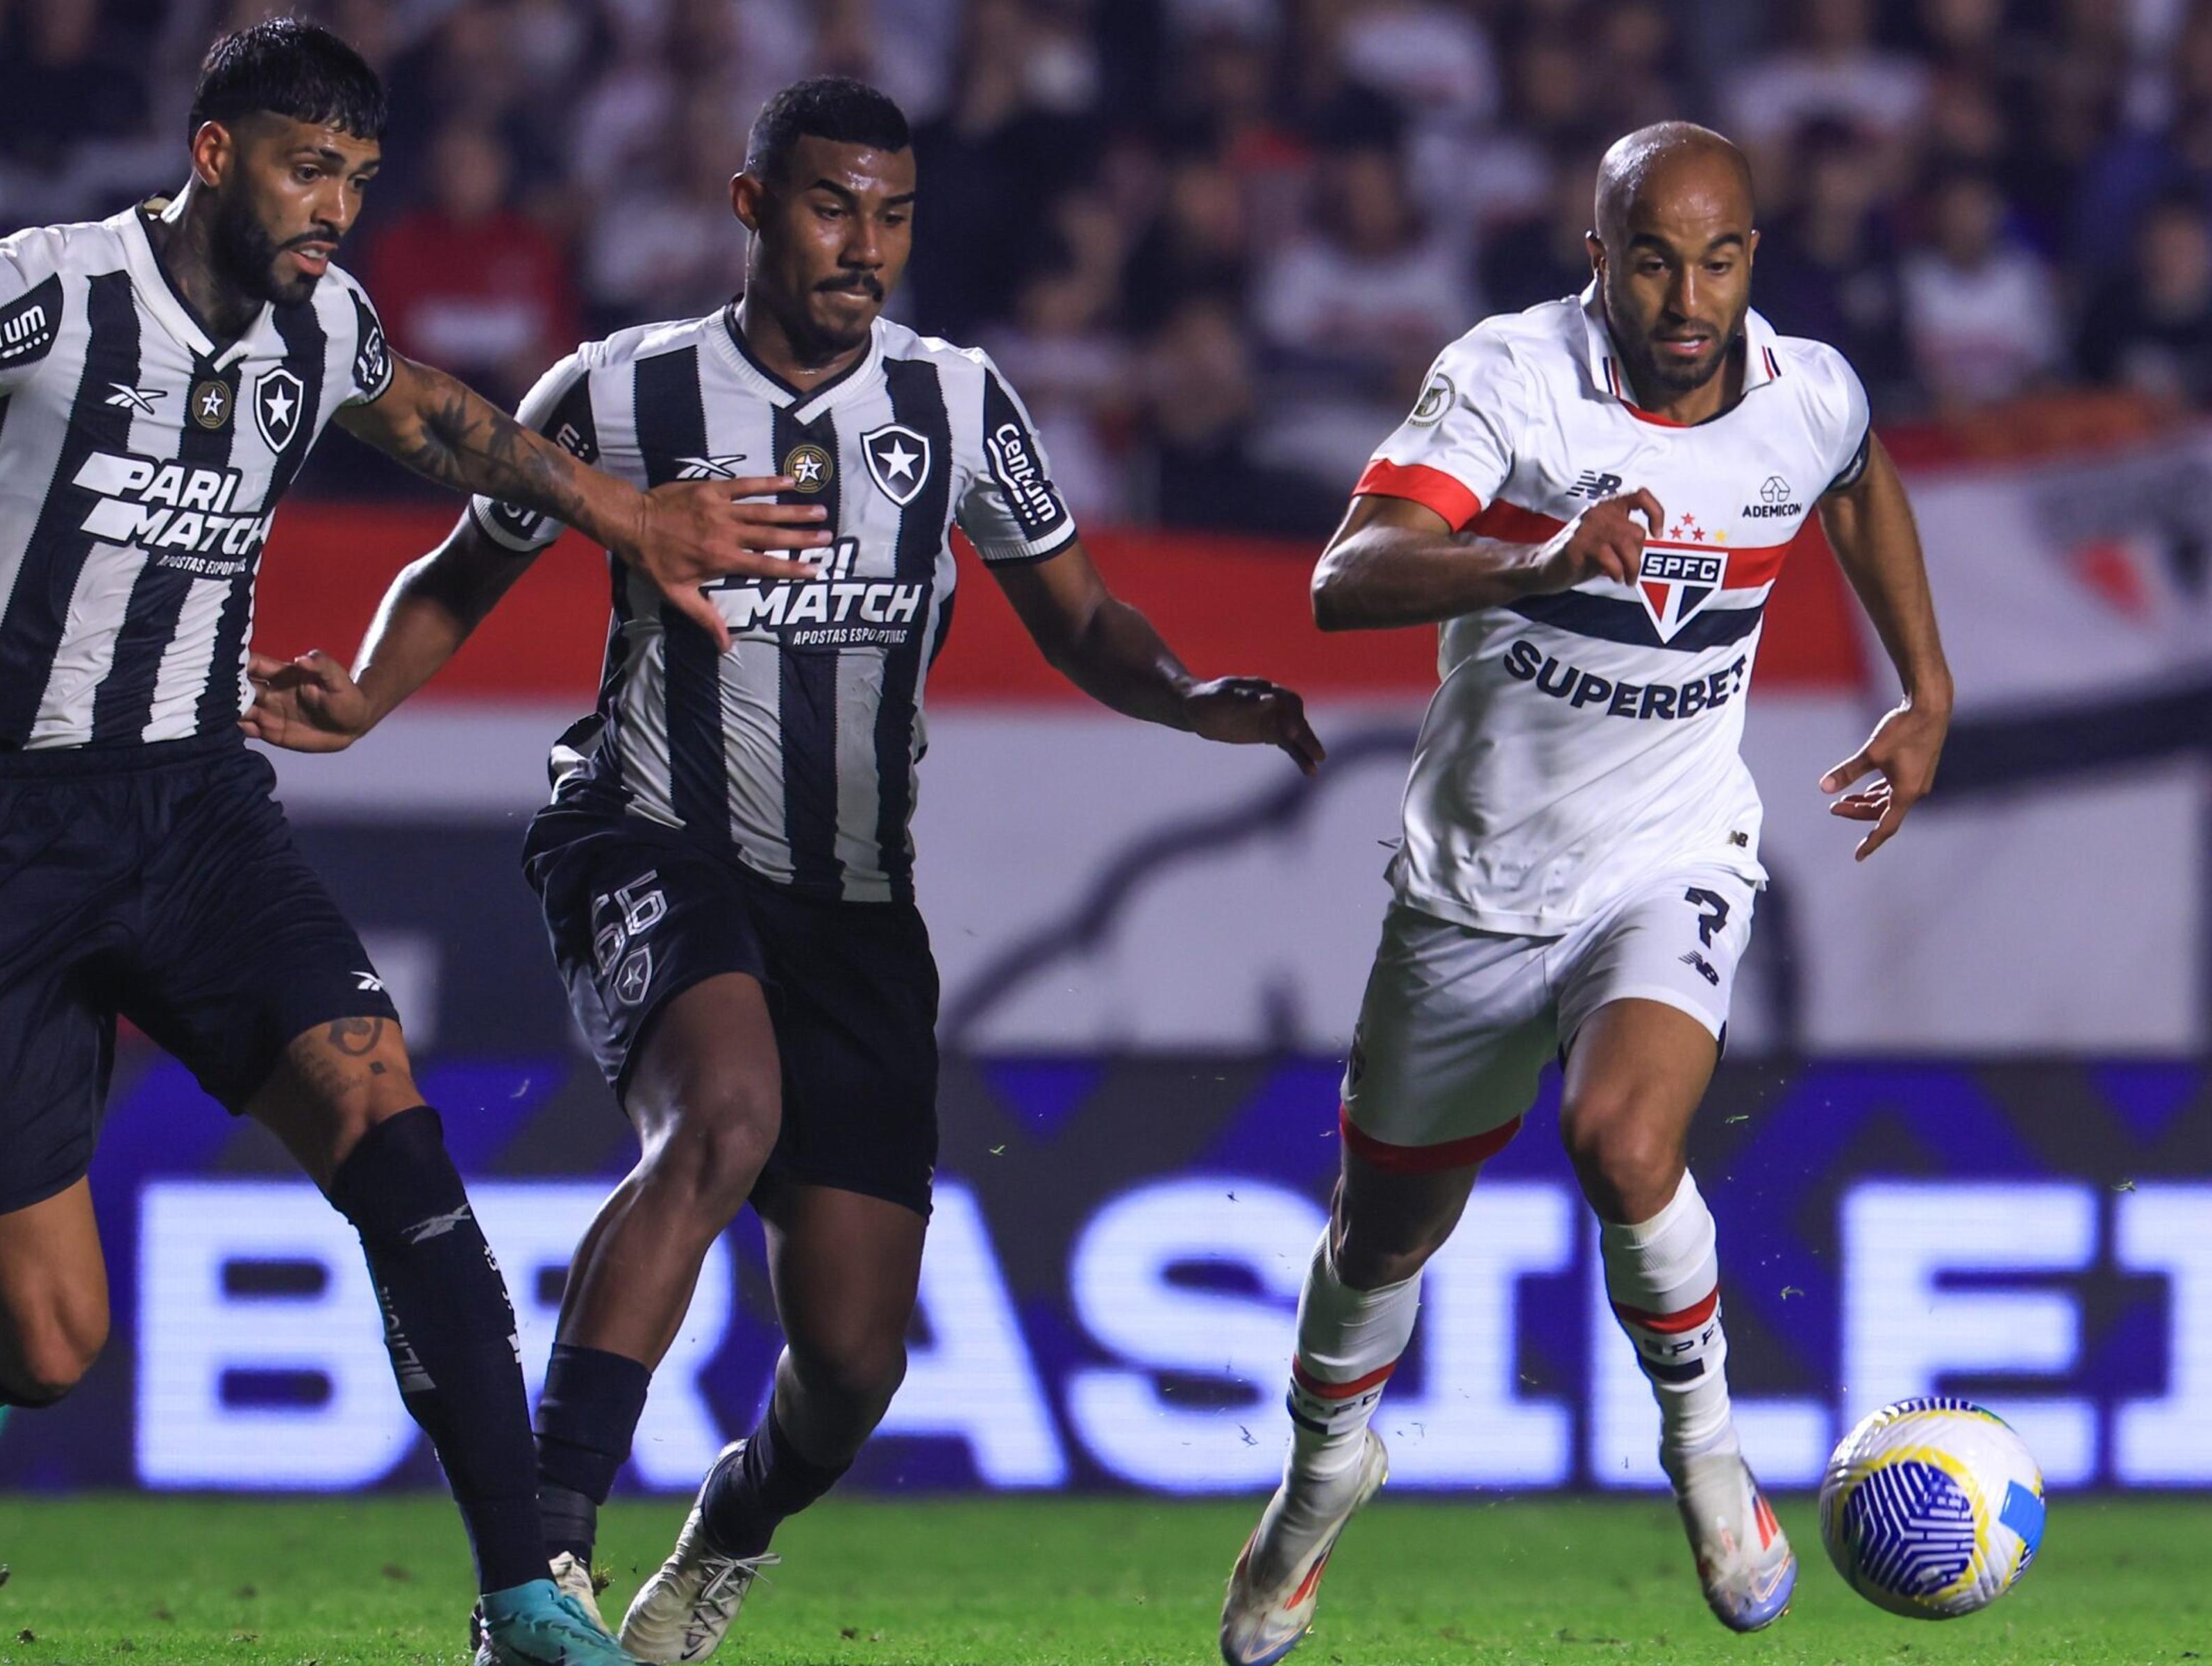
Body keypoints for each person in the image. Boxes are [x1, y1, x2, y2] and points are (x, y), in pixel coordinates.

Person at [0, 22, 825, 1666]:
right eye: (313, 170)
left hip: (194, 810)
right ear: (219, 153)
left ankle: (523, 1590)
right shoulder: (53, 289)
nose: (338, 209)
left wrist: (635, 516)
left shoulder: (321, 324)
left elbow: (445, 420)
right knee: (50, 1338)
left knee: (393, 1125)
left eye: (362, 182)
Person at [242, 76, 1325, 1664]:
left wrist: (1187, 695)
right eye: (831, 207)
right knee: (722, 1119)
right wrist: (368, 696)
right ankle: (540, 1564)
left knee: (855, 1361)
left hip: (856, 907)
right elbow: (470, 560)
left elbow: (1081, 614)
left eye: (890, 215)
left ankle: (729, 1529)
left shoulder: (953, 405)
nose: (862, 245)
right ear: (753, 207)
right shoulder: (621, 389)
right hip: (647, 831)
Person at [1219, 122, 1953, 1666]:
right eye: (1654, 259)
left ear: (1755, 253)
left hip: (1673, 850)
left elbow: (1858, 479)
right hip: (1476, 884)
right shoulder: (1511, 378)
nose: (1690, 297)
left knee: (1624, 1143)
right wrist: (1533, 560)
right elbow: (1346, 577)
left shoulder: (1804, 388)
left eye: (1722, 257)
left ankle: (1706, 1454)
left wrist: (1928, 691)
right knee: (1380, 1239)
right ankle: (1319, 1482)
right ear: (1597, 253)